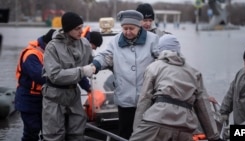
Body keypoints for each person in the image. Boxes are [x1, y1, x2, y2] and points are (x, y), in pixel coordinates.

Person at [129, 34, 223, 141]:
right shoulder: (194, 73)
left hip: (158, 120)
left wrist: (137, 129)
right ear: (178, 50)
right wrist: (214, 137)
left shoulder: (154, 67)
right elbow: (203, 107)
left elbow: (144, 100)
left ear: (160, 50)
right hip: (185, 126)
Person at [91, 10, 159, 139]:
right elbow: (106, 56)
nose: (127, 32)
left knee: (147, 134)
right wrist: (95, 65)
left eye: (131, 28)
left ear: (139, 26)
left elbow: (161, 60)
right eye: (124, 28)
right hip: (125, 98)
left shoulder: (153, 40)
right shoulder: (115, 41)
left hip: (147, 98)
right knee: (125, 133)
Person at [42, 11, 95, 141]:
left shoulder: (85, 44)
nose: (81, 31)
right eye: (77, 29)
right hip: (54, 95)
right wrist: (82, 71)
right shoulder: (52, 47)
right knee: (54, 135)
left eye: (81, 27)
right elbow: (55, 75)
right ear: (68, 29)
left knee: (77, 133)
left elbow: (93, 62)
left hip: (73, 94)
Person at [15, 29, 56, 141]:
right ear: (50, 44)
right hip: (28, 98)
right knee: (32, 131)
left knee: (47, 130)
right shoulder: (31, 55)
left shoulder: (50, 53)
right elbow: (39, 76)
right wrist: (61, 79)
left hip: (43, 98)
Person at [219, 46, 245, 139]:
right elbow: (230, 94)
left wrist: (236, 132)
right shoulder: (240, 74)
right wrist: (224, 112)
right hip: (238, 126)